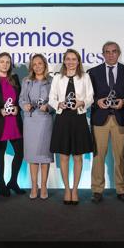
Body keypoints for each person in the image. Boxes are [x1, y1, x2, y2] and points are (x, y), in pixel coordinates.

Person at [88, 41, 124, 204]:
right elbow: (88, 95)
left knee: (120, 156)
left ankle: (122, 189)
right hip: (100, 119)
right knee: (98, 156)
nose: (111, 54)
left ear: (119, 53)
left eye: (114, 51)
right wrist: (96, 101)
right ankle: (97, 190)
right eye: (107, 52)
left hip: (120, 117)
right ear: (103, 54)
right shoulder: (93, 72)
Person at [49, 49, 94, 205]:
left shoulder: (85, 77)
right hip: (62, 118)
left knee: (77, 156)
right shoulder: (57, 78)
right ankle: (66, 189)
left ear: (78, 61)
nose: (70, 62)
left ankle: (75, 189)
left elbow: (90, 97)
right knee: (63, 156)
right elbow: (51, 98)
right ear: (64, 61)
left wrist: (82, 103)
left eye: (74, 59)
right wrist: (58, 104)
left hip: (78, 118)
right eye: (68, 59)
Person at [19, 54, 54, 200]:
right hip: (30, 120)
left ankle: (44, 186)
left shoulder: (52, 81)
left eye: (40, 63)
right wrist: (24, 105)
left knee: (44, 156)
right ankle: (34, 186)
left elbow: (56, 100)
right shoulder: (26, 81)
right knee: (33, 156)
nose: (38, 66)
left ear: (45, 65)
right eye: (35, 64)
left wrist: (49, 106)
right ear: (31, 67)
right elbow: (21, 99)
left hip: (46, 120)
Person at [0, 52, 25, 196]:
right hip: (0, 122)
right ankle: (1, 183)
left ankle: (13, 181)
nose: (5, 64)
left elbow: (20, 98)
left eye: (7, 62)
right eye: (2, 61)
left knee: (20, 152)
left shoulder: (15, 79)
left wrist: (18, 107)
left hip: (14, 121)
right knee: (0, 153)